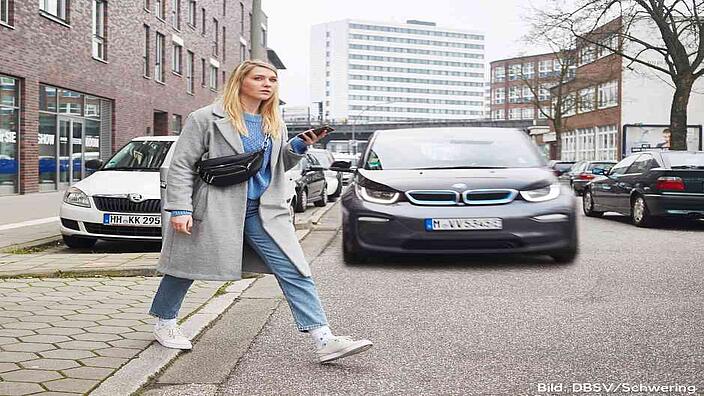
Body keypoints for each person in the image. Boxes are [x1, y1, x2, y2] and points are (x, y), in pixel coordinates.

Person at [149, 60, 372, 364]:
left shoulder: (273, 123)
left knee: (294, 268)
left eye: (272, 79)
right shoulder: (205, 118)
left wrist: (297, 148)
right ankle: (165, 322)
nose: (267, 84)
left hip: (263, 211)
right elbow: (182, 165)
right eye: (259, 78)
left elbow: (275, 167)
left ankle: (324, 339)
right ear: (241, 81)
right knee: (186, 267)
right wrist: (179, 207)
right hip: (216, 207)